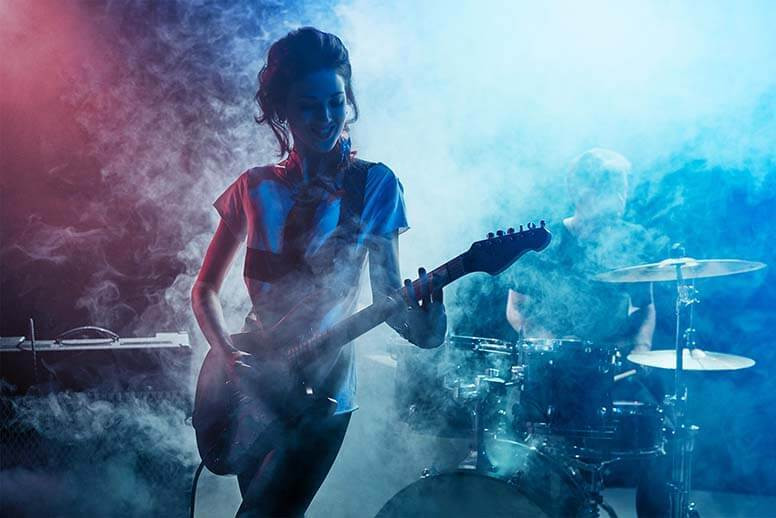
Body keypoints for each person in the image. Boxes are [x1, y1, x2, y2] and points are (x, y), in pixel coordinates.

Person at [190, 27, 446, 518]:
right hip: (253, 380)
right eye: (310, 105)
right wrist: (224, 351)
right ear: (282, 108)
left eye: (337, 102)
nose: (327, 117)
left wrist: (432, 327)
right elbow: (204, 289)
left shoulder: (374, 184)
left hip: (324, 390)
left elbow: (390, 299)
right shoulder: (252, 187)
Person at [505, 148, 670, 517]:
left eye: (625, 186)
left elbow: (646, 306)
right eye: (613, 185)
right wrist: (542, 339)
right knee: (548, 463)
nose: (623, 196)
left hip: (615, 368)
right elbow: (514, 307)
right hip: (555, 371)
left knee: (666, 436)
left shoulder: (633, 242)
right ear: (580, 189)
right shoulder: (545, 240)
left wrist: (641, 347)